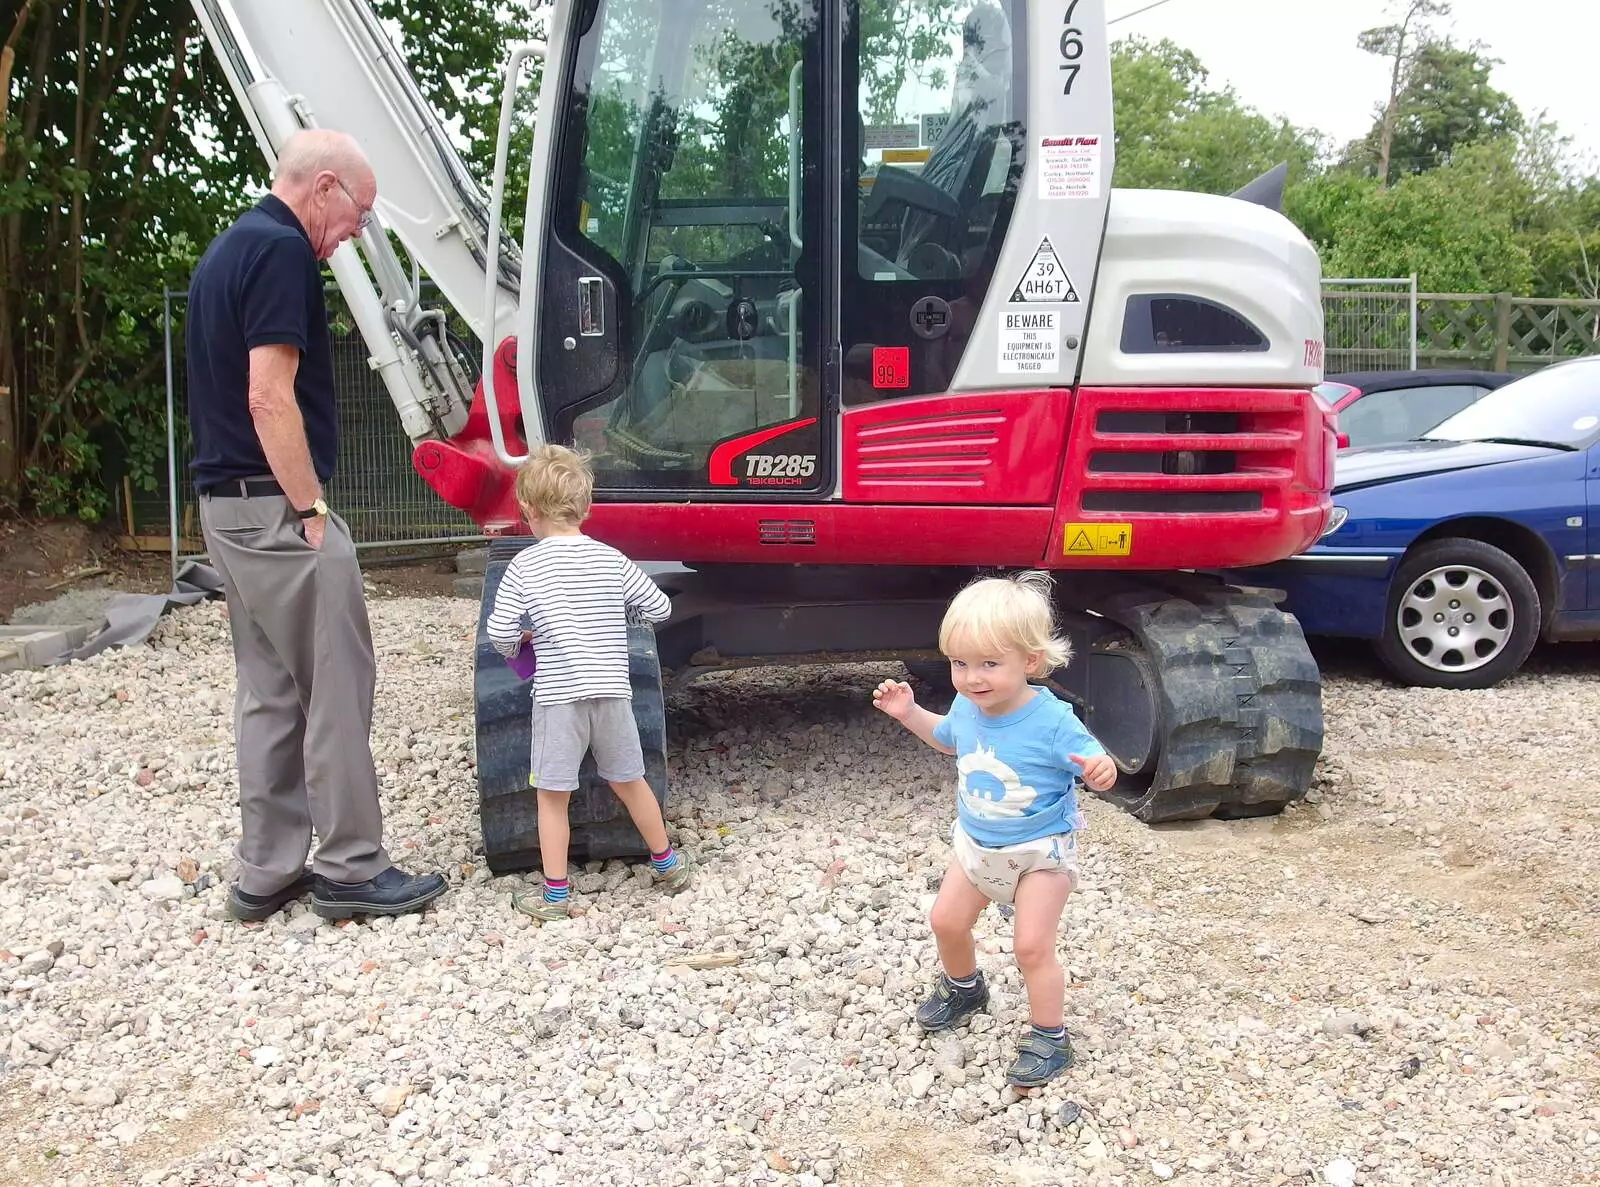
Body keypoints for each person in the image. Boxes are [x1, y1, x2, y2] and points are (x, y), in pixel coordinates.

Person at [187, 128, 447, 922]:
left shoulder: (228, 247)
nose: (358, 230)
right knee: (336, 679)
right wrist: (309, 509)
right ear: (323, 186)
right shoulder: (282, 254)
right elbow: (270, 395)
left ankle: (265, 870)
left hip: (225, 505)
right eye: (359, 211)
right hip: (274, 505)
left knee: (269, 687)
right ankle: (351, 866)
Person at [871, 571, 1117, 1088]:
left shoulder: (1052, 719)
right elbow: (947, 738)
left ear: (1030, 662)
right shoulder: (967, 705)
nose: (972, 678)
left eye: (988, 664)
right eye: (960, 663)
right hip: (977, 845)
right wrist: (909, 712)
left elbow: (1093, 758)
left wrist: (1101, 769)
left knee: (1030, 946)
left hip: (1038, 853)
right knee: (945, 921)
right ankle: (964, 987)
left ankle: (1050, 1035)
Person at [485, 443, 690, 922]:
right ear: (585, 507)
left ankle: (555, 897)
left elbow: (499, 633)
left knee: (552, 798)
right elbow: (660, 607)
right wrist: (620, 616)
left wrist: (523, 643)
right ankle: (667, 865)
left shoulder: (525, 566)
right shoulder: (611, 560)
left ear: (529, 510)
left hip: (559, 699)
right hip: (612, 693)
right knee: (630, 781)